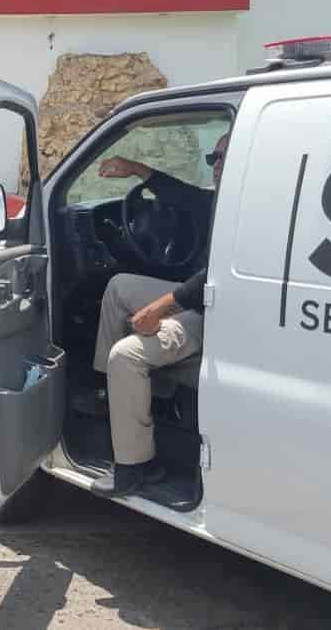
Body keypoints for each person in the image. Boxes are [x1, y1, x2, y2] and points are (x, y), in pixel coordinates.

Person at [85, 133, 228, 498]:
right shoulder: (223, 200)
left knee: (127, 355)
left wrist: (161, 306)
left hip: (220, 311)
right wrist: (136, 169)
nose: (217, 165)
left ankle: (137, 468)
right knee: (118, 287)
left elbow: (218, 276)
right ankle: (112, 400)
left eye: (226, 157)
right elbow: (183, 196)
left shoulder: (255, 208)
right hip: (201, 297)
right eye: (213, 158)